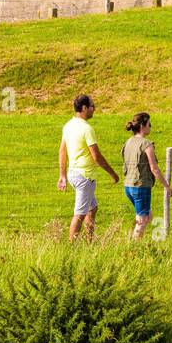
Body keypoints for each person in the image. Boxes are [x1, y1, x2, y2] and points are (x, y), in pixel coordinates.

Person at [57, 94, 119, 241]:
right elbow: (96, 156)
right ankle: (72, 247)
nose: (94, 109)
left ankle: (89, 241)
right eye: (92, 106)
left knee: (92, 208)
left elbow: (62, 151)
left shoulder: (68, 125)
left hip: (73, 173)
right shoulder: (87, 129)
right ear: (84, 108)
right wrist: (113, 173)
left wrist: (63, 175)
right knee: (79, 214)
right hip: (85, 176)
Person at [120, 112, 172, 241]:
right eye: (149, 124)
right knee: (143, 220)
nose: (151, 126)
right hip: (141, 187)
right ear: (143, 125)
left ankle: (135, 240)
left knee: (148, 215)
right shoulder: (146, 144)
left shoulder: (128, 142)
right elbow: (154, 168)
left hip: (128, 186)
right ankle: (134, 247)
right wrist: (167, 186)